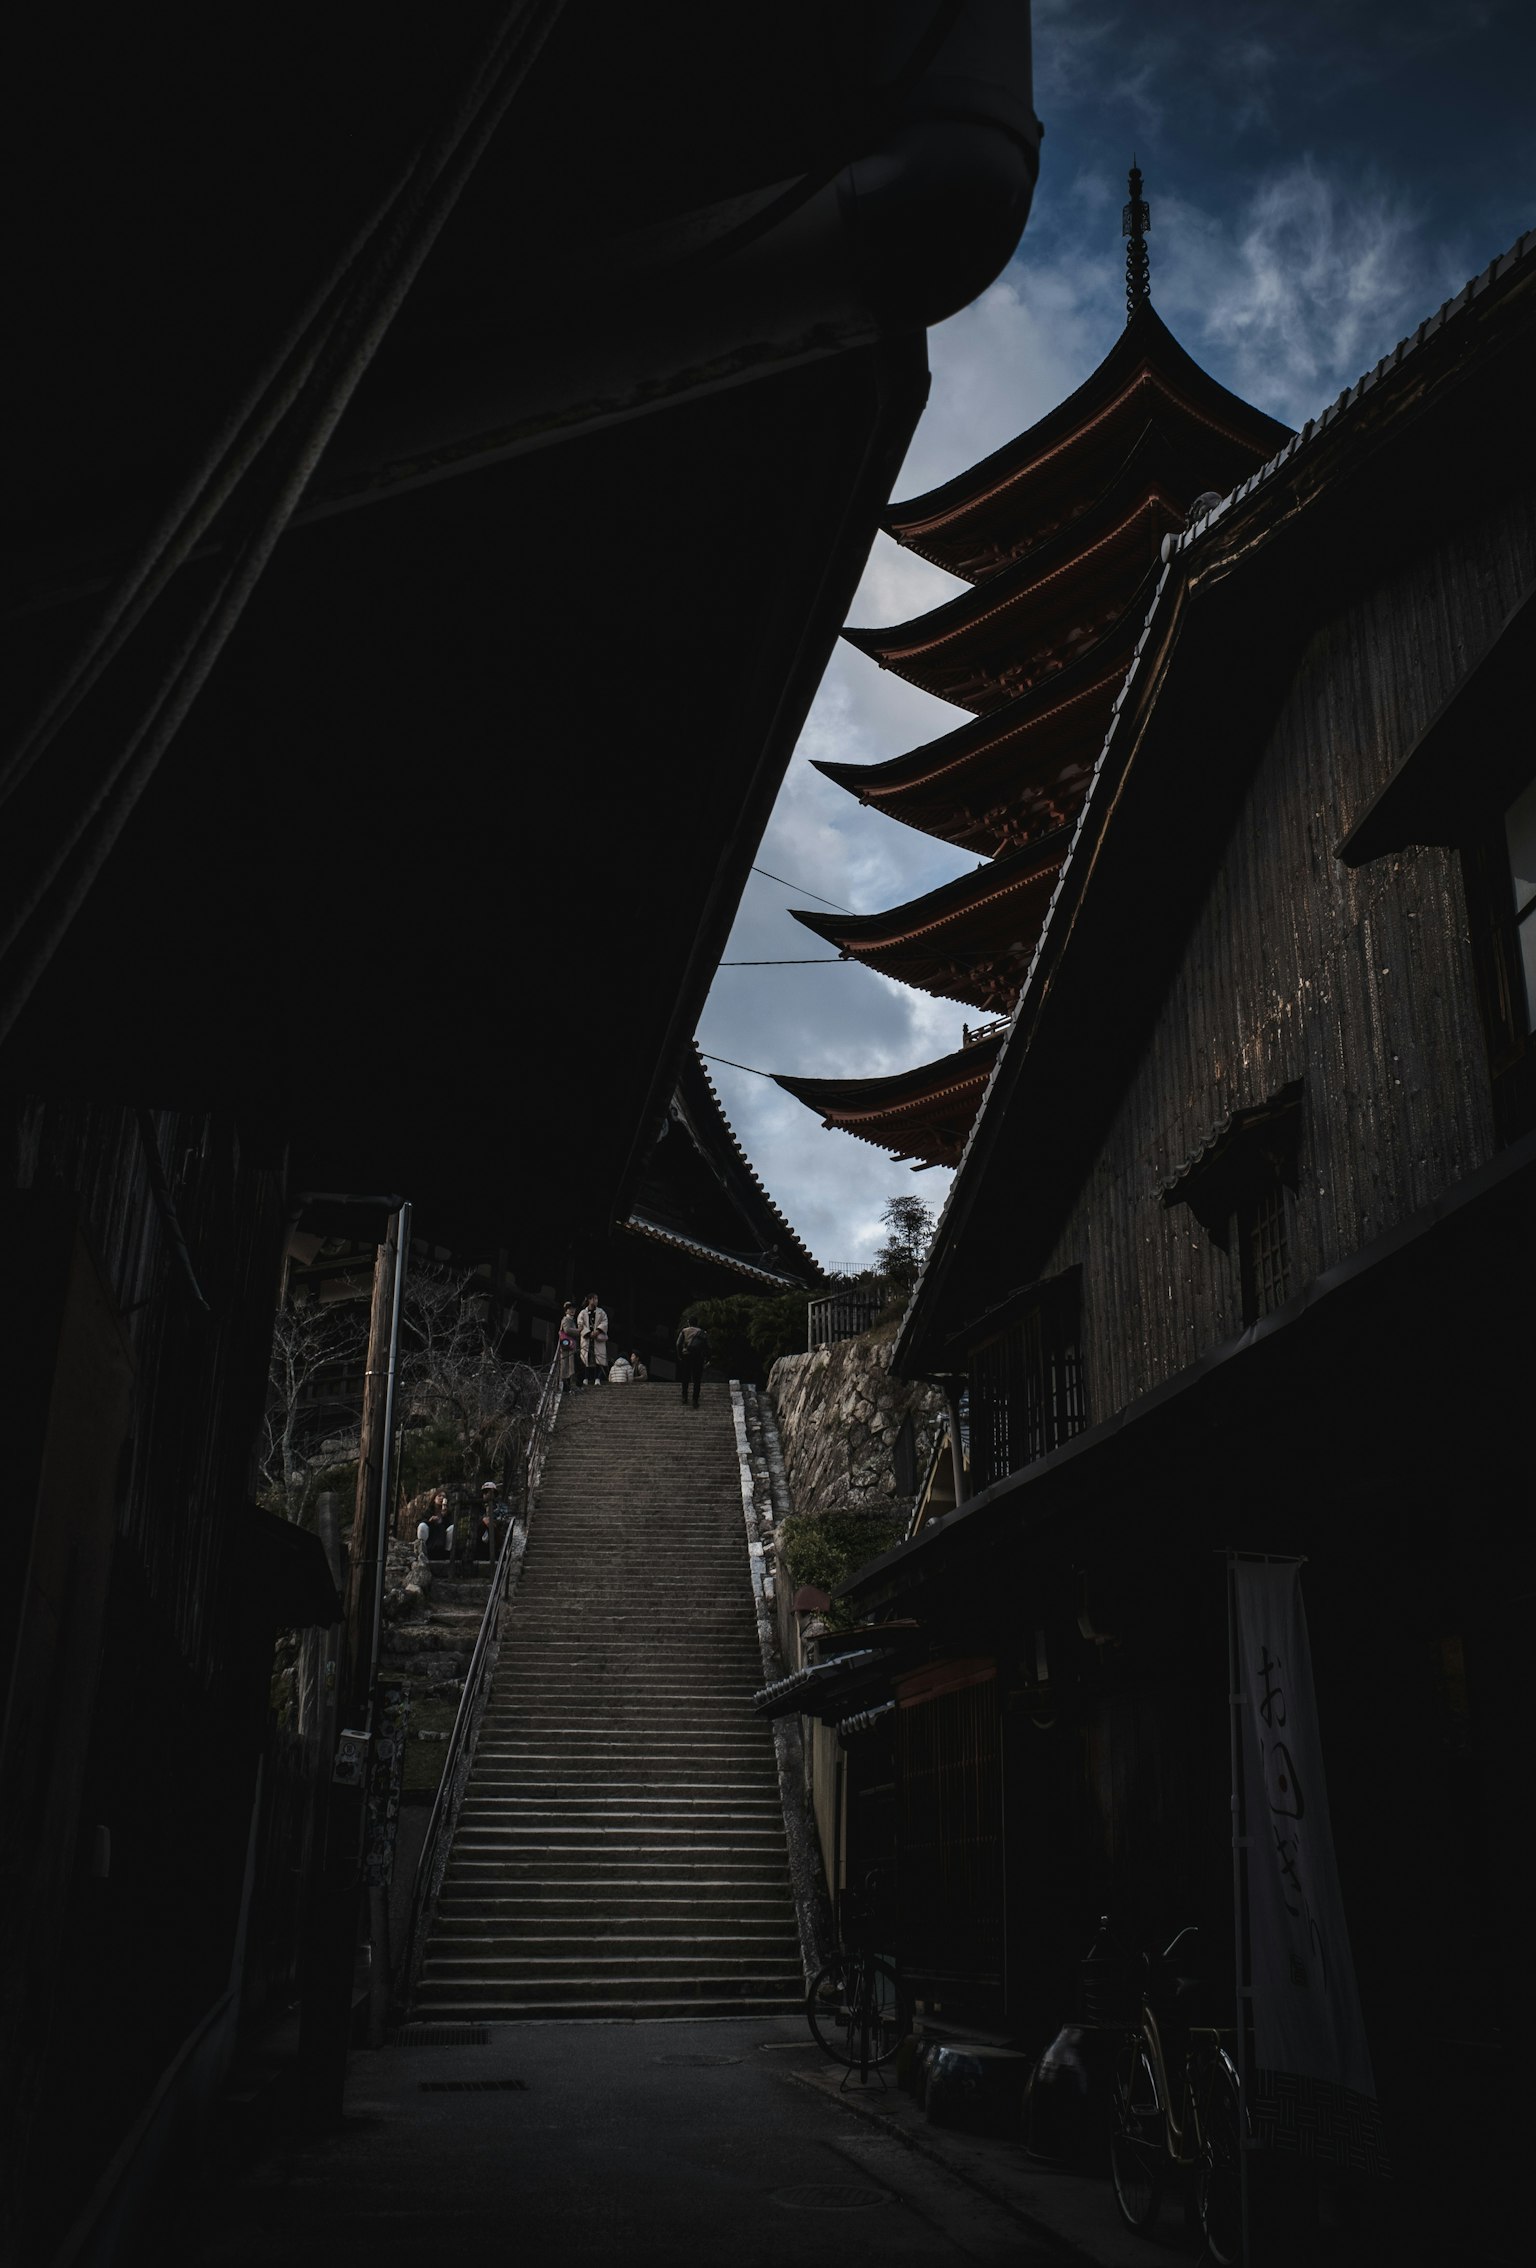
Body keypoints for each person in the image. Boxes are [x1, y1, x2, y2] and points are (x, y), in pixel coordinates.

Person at [676, 1317, 709, 1407]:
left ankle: (684, 1397)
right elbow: (706, 1346)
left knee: (685, 1377)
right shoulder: (702, 1332)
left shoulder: (684, 1331)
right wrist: (706, 1358)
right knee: (697, 1379)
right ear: (697, 1323)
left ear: (689, 1323)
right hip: (698, 1357)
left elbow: (678, 1344)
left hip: (687, 1356)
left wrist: (680, 1355)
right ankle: (695, 1400)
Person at [578, 1292, 609, 1385]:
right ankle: (585, 1378)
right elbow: (580, 1324)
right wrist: (588, 1333)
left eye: (597, 1299)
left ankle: (597, 1379)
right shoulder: (583, 1312)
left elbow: (605, 1322)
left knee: (599, 1359)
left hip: (597, 1339)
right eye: (594, 1299)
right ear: (589, 1300)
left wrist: (598, 1331)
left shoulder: (601, 1312)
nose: (596, 1301)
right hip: (587, 1339)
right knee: (585, 1359)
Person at [478, 1478, 512, 1557]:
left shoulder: (500, 1506)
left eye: (489, 1492)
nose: (486, 1494)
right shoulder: (478, 1506)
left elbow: (505, 1519)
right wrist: (483, 1520)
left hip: (495, 1532)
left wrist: (492, 1522)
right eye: (484, 1492)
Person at [417, 1490, 453, 1562]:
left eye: (444, 1497)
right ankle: (422, 1551)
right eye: (439, 1496)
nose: (441, 1498)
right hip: (431, 1537)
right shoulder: (429, 1511)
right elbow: (418, 1522)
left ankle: (447, 1555)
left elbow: (450, 1525)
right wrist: (430, 1521)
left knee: (452, 1528)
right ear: (434, 1499)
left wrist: (444, 1515)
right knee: (422, 1526)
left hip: (442, 1538)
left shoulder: (448, 1513)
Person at [556, 1301, 579, 1393]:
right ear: (566, 1310)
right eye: (570, 1309)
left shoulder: (572, 1320)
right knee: (566, 1366)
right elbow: (567, 1330)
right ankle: (565, 1387)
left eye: (574, 1309)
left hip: (569, 1346)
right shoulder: (566, 1319)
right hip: (566, 1347)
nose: (572, 1310)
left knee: (569, 1366)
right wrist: (579, 1331)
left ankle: (568, 1387)